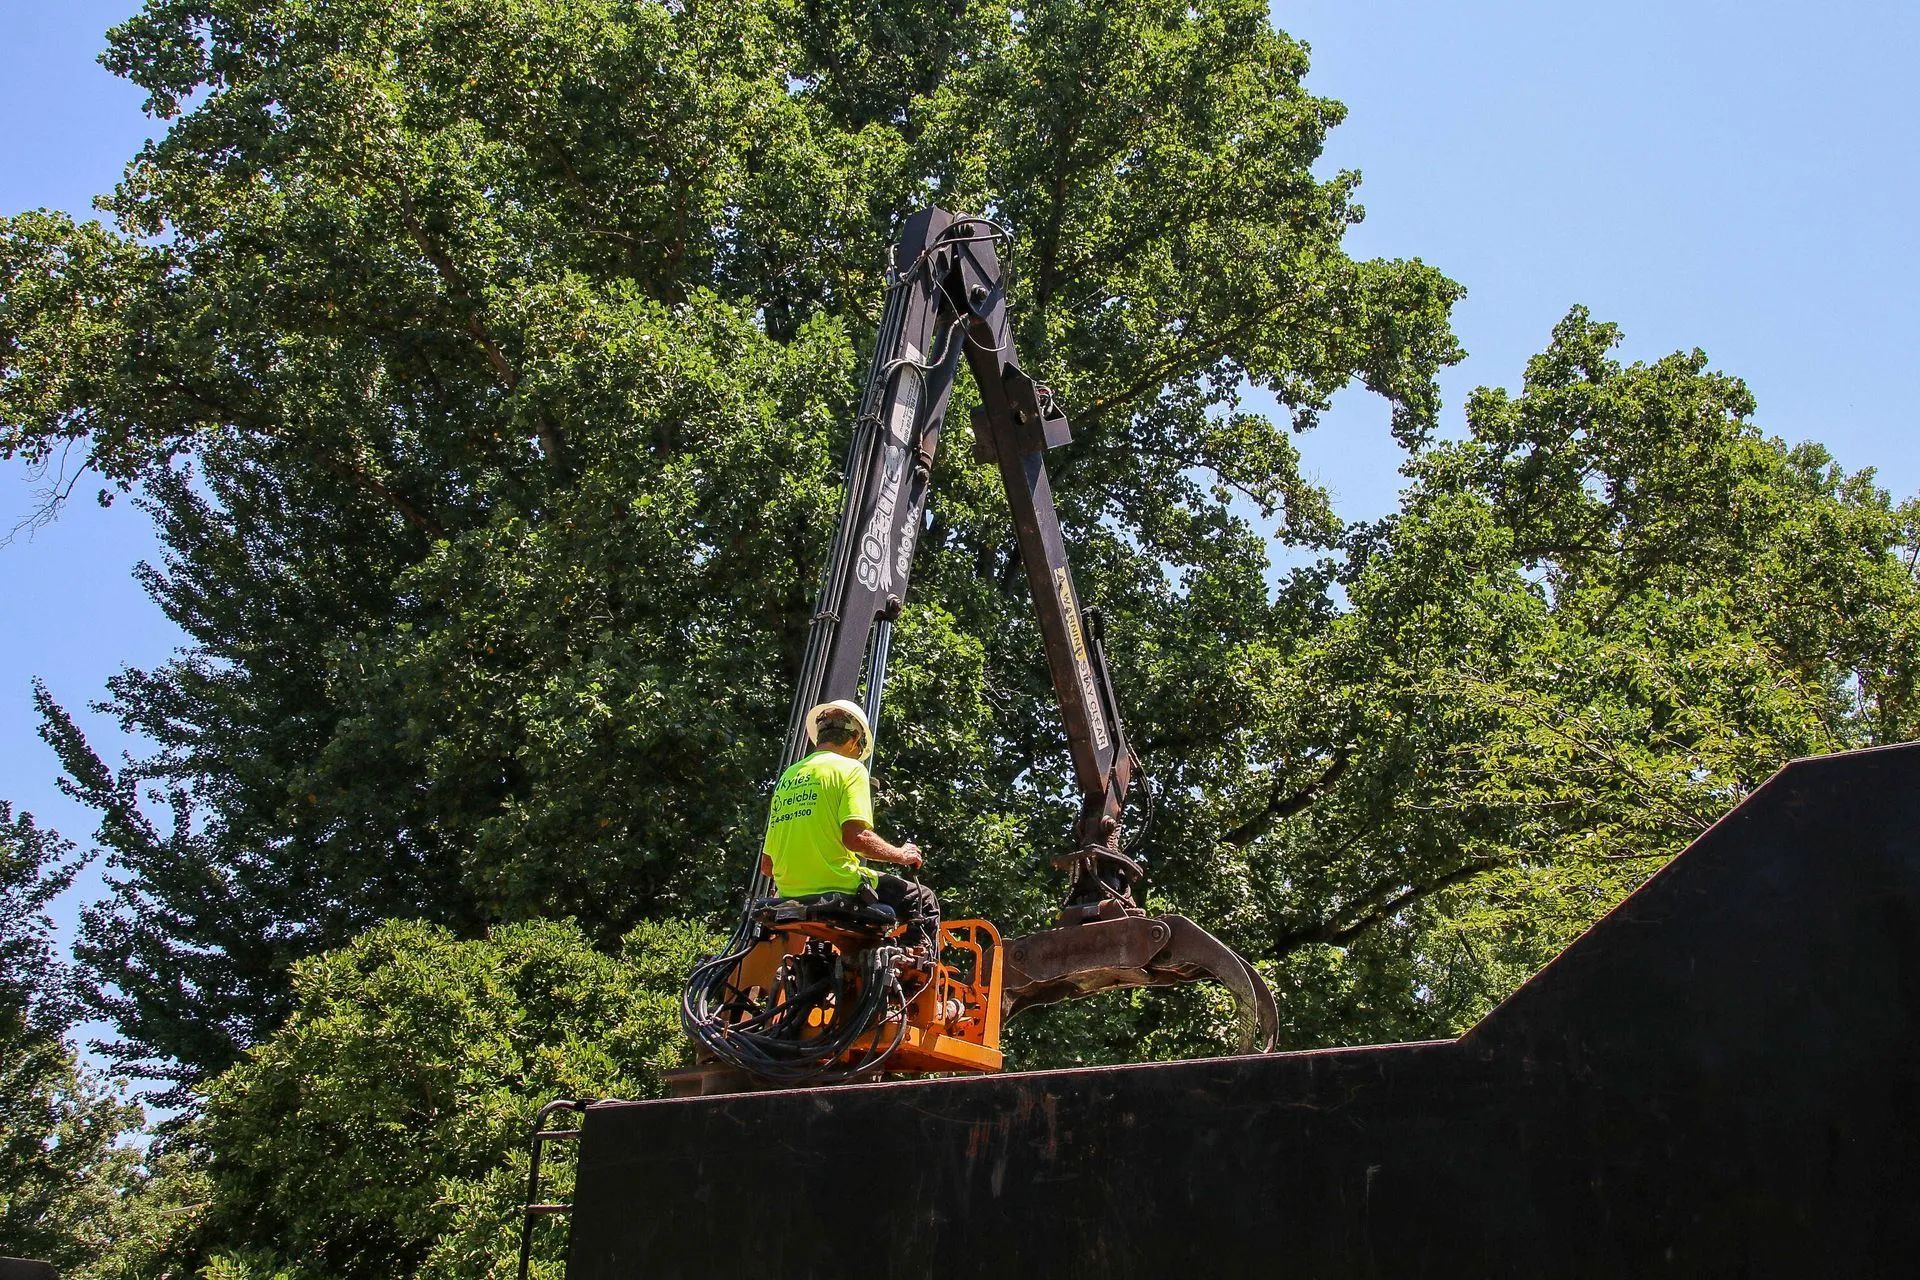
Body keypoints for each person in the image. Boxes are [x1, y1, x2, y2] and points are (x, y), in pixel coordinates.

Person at [761, 699, 940, 956]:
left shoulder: (788, 778)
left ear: (819, 736)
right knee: (922, 899)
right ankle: (914, 978)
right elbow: (856, 838)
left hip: (789, 892)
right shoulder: (850, 769)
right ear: (855, 740)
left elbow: (768, 866)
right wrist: (901, 855)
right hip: (839, 885)